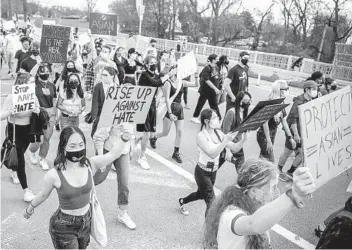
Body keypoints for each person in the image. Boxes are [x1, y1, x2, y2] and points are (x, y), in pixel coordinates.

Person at [23, 125, 134, 249]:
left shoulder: (90, 164)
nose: (78, 149)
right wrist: (30, 208)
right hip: (63, 227)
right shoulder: (53, 174)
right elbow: (43, 195)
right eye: (72, 146)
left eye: (81, 145)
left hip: (86, 221)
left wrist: (124, 138)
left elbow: (113, 155)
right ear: (63, 147)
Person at [204, 159, 316, 249]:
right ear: (254, 192)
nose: (277, 191)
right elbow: (253, 224)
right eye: (273, 187)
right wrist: (293, 195)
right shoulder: (230, 215)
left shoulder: (255, 208)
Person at [179, 109, 247, 217]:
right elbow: (212, 154)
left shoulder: (219, 133)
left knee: (200, 195)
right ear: (206, 121)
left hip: (213, 172)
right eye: (214, 117)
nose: (218, 119)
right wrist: (225, 140)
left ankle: (182, 201)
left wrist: (244, 139)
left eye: (217, 117)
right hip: (202, 172)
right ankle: (208, 232)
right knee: (211, 203)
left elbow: (235, 147)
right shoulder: (201, 136)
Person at [0, 73, 40, 202]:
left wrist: (36, 111)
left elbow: (39, 111)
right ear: (22, 83)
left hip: (27, 132)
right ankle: (26, 190)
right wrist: (9, 112)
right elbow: (1, 116)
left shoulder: (33, 97)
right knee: (20, 159)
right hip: (14, 131)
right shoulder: (11, 97)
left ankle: (12, 167)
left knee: (18, 154)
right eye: (30, 82)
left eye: (33, 82)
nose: (33, 84)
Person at [136, 56, 176, 170]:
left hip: (152, 104)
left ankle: (135, 141)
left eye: (155, 62)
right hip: (144, 105)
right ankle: (142, 156)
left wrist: (168, 67)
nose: (153, 64)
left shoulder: (153, 73)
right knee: (147, 132)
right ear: (146, 64)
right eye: (151, 63)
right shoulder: (145, 74)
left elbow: (160, 76)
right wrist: (167, 75)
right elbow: (156, 82)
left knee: (150, 131)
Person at [151, 72, 200, 163]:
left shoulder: (182, 82)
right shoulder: (168, 83)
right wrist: (170, 113)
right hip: (170, 108)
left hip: (179, 108)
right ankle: (154, 137)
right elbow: (167, 100)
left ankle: (176, 153)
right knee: (165, 132)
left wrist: (196, 76)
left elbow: (196, 84)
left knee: (180, 131)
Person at [277, 80, 318, 181]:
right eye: (313, 89)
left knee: (302, 154)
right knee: (287, 152)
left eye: (316, 89)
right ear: (307, 90)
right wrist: (295, 134)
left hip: (302, 133)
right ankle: (278, 171)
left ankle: (290, 172)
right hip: (293, 132)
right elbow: (293, 119)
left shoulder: (310, 100)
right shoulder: (299, 101)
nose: (315, 91)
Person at [256, 80, 295, 163]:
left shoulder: (281, 102)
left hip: (272, 135)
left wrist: (290, 137)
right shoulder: (270, 103)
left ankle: (253, 172)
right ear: (279, 90)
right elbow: (264, 123)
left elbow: (284, 122)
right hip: (264, 136)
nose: (287, 91)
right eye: (286, 89)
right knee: (271, 162)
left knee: (263, 159)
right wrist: (268, 141)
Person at [29, 64, 57, 170]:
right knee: (37, 139)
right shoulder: (33, 84)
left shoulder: (52, 85)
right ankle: (32, 151)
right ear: (38, 73)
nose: (45, 73)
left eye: (47, 71)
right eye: (43, 71)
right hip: (38, 113)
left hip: (50, 114)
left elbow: (54, 100)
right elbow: (29, 74)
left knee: (46, 138)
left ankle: (43, 158)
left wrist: (55, 114)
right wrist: (37, 64)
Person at [221, 91, 252, 171]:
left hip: (237, 146)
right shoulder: (231, 113)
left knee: (242, 170)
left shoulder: (244, 113)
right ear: (240, 101)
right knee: (214, 167)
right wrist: (227, 151)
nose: (248, 102)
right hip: (226, 145)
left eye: (249, 100)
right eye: (246, 100)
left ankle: (242, 183)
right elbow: (224, 133)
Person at [191, 54, 221, 124]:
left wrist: (219, 87)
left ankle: (195, 116)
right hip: (206, 90)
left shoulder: (216, 68)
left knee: (211, 105)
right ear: (213, 60)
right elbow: (206, 80)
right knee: (207, 104)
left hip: (212, 91)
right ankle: (218, 119)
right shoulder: (207, 68)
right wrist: (215, 89)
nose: (217, 60)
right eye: (216, 59)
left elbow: (217, 78)